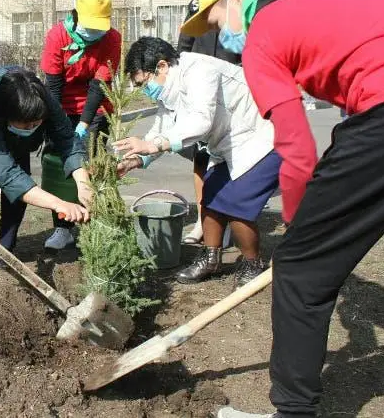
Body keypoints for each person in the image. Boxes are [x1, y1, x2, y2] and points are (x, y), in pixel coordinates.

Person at [180, 0, 384, 418]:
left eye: (216, 21)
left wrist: (298, 225)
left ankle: (292, 412)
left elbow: (296, 151)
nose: (222, 35)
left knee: (298, 269)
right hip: (373, 110)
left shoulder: (264, 36)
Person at [114, 37, 277, 289]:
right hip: (231, 144)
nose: (144, 90)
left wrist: (153, 145)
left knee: (237, 202)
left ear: (162, 66)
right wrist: (138, 158)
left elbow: (202, 121)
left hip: (263, 136)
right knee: (211, 193)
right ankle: (211, 258)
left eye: (143, 83)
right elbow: (162, 127)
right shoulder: (169, 88)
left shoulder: (200, 70)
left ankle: (253, 264)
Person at [0, 67, 92, 254]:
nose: (32, 128)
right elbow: (8, 175)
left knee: (19, 191)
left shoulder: (40, 98)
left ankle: (6, 250)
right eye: (27, 124)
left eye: (37, 123)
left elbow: (67, 139)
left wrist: (84, 185)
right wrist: (59, 204)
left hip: (15, 141)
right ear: (6, 116)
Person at [176, 0, 252, 245]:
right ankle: (203, 219)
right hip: (202, 90)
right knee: (201, 158)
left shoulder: (247, 4)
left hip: (236, 92)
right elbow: (184, 44)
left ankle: (234, 219)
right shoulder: (199, 3)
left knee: (236, 158)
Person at [39, 0, 120, 250]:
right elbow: (53, 86)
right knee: (59, 166)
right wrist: (59, 123)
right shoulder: (57, 35)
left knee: (91, 164)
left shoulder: (111, 39)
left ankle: (95, 226)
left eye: (100, 26)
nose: (95, 32)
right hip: (60, 104)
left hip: (95, 108)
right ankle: (63, 227)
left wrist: (84, 124)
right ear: (76, 14)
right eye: (91, 25)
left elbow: (99, 86)